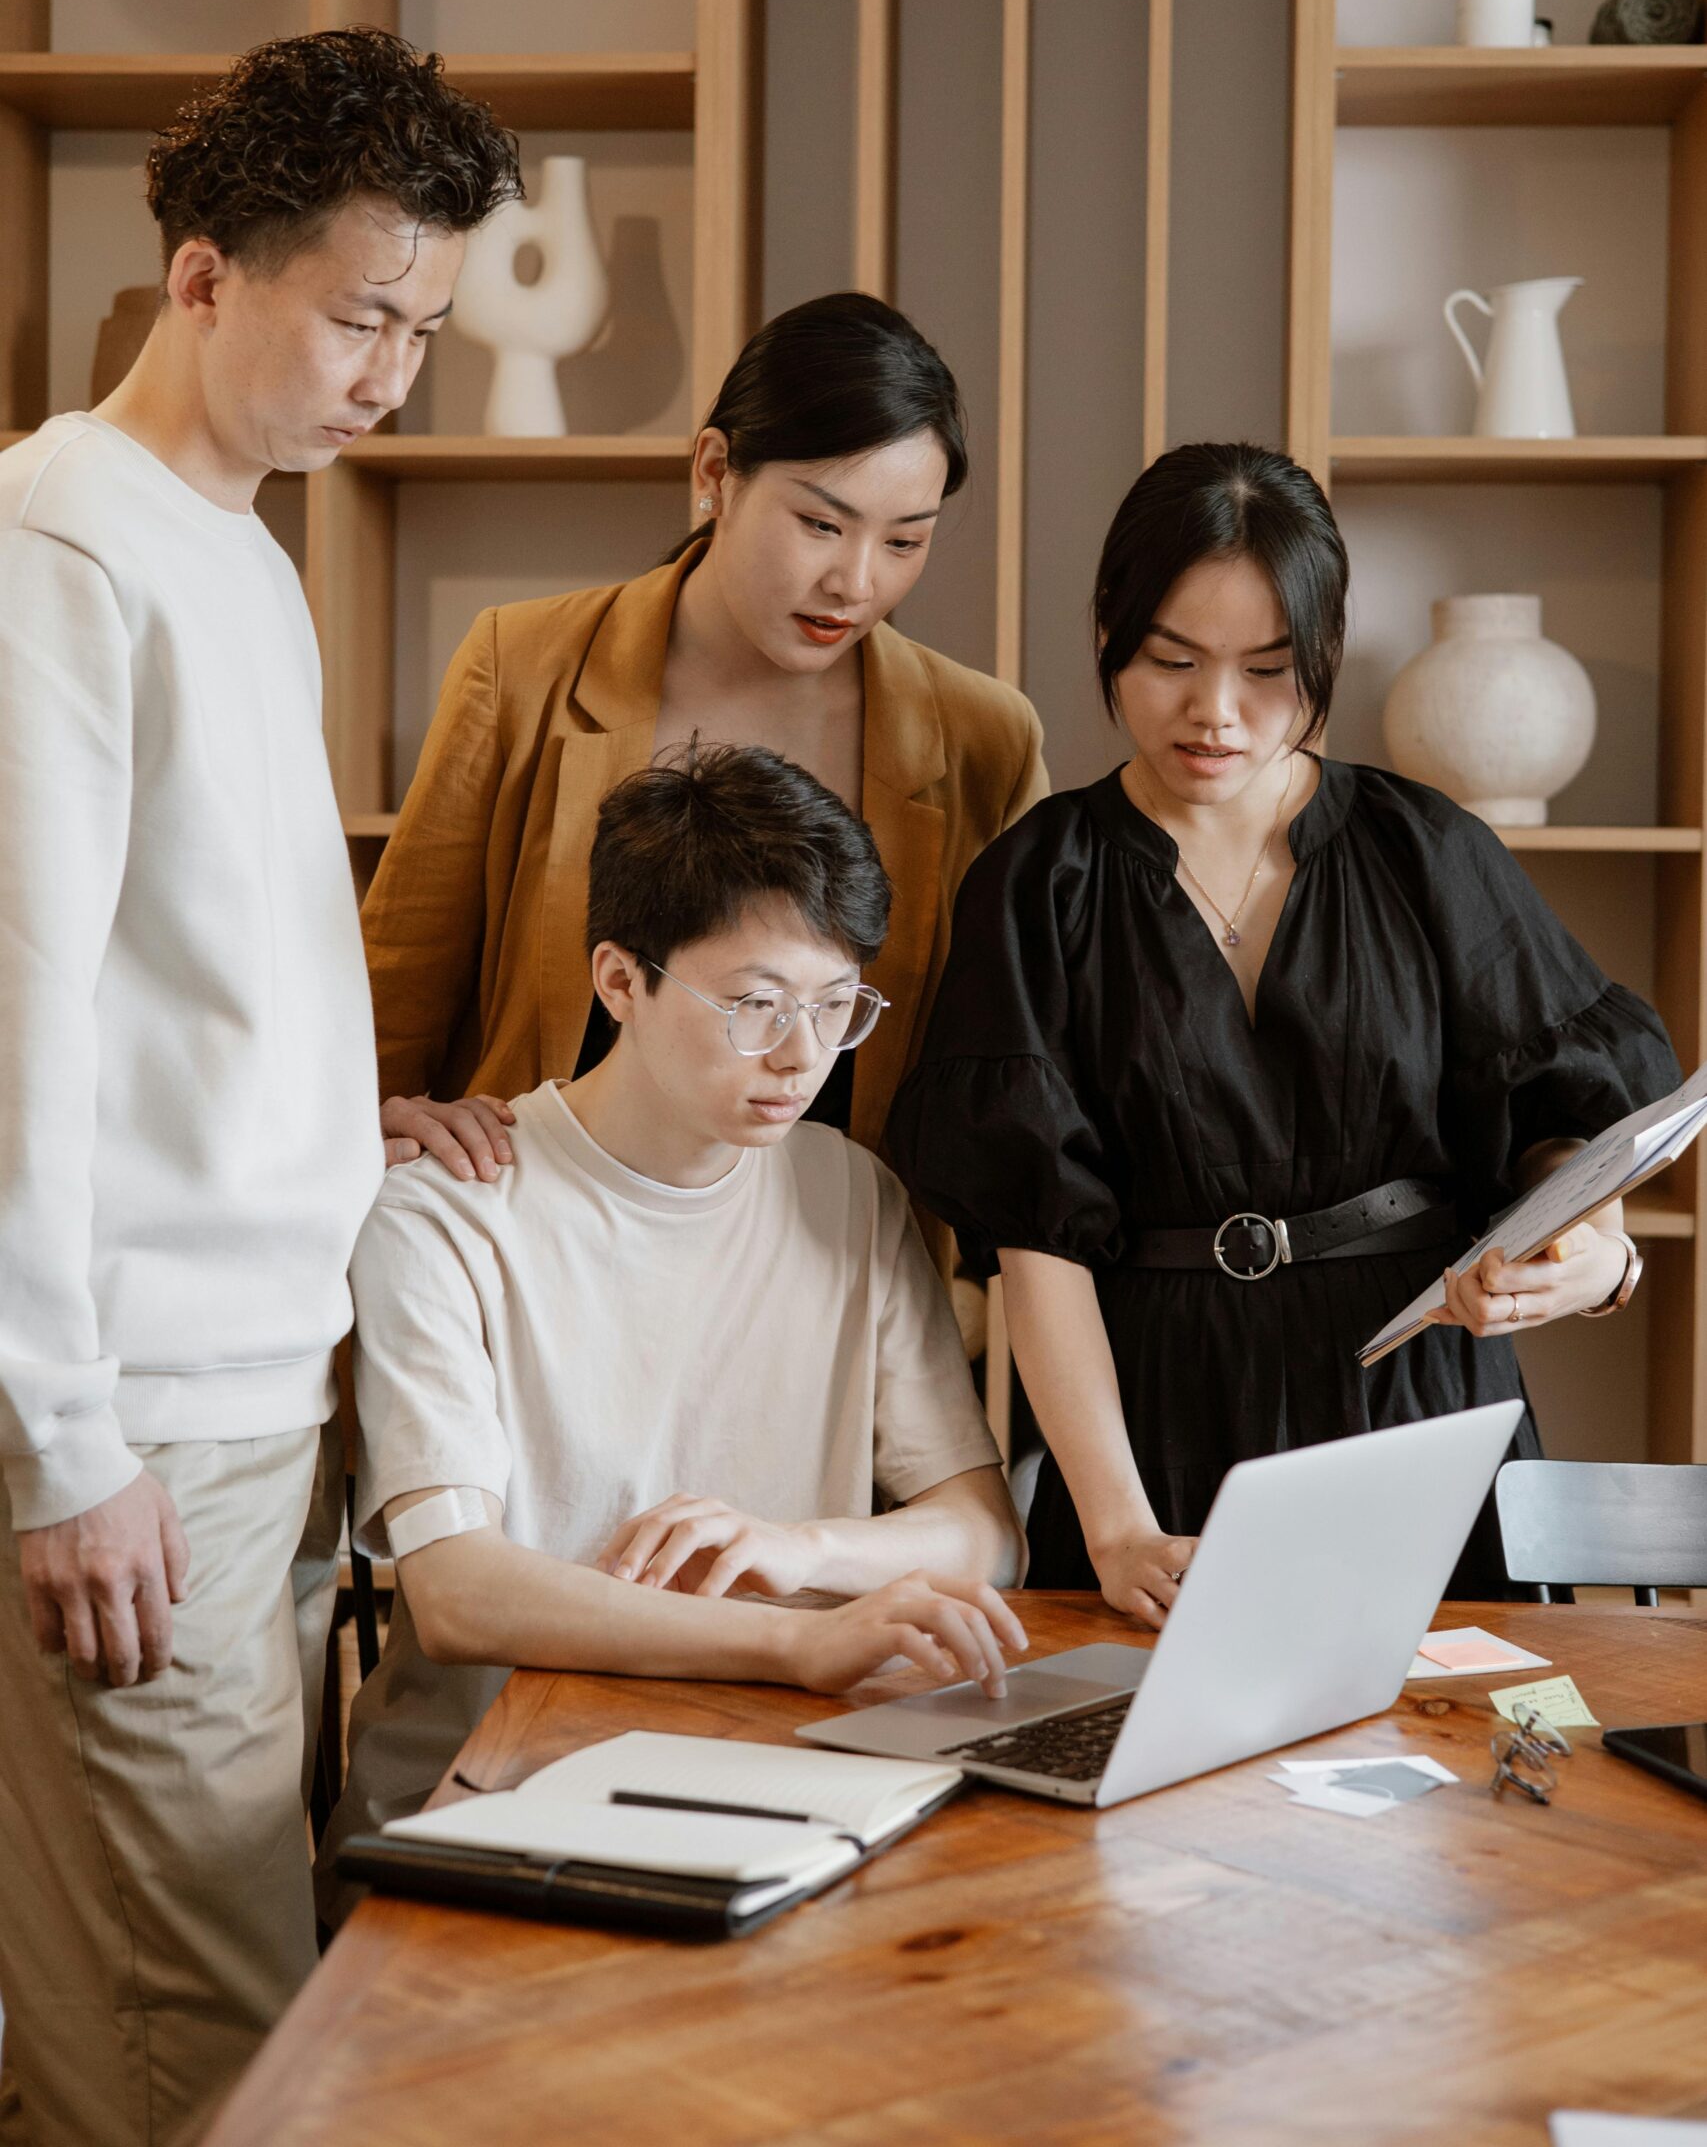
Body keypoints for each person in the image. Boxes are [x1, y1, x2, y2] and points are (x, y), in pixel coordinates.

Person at [0, 29, 521, 2147]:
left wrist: (335, 1113)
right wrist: (60, 1441)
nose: (393, 370)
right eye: (361, 313)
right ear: (204, 277)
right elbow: (22, 1017)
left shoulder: (247, 545)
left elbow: (190, 963)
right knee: (206, 2037)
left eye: (428, 323)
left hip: (253, 1391)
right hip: (144, 1420)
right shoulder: (65, 538)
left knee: (136, 2011)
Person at [889, 442, 1680, 1621]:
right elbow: (1032, 1242)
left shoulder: (1426, 849)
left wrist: (1585, 1250)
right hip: (1159, 1422)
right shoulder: (1039, 881)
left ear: (1322, 658)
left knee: (1451, 1787)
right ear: (1111, 629)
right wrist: (1113, 1521)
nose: (1216, 713)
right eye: (1171, 661)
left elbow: (1567, 1115)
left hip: (1417, 1407)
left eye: (1269, 670)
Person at [319, 743, 1025, 1913]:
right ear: (618, 980)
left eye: (836, 1004)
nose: (801, 1056)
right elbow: (456, 1594)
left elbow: (982, 1532)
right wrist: (796, 1642)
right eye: (753, 1004)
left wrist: (804, 1554)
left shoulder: (848, 1194)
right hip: (489, 1812)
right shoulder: (446, 1208)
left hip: (778, 1797)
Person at [364, 290, 1046, 1198]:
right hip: (531, 1230)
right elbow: (396, 991)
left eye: (904, 541)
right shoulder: (523, 666)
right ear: (716, 470)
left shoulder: (980, 737)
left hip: (834, 1258)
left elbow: (1018, 1059)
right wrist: (371, 1118)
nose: (855, 581)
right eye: (820, 524)